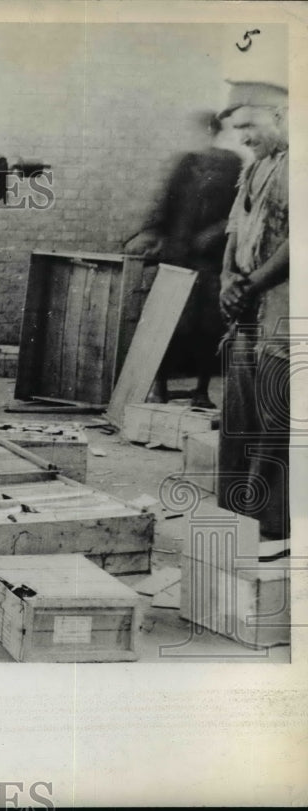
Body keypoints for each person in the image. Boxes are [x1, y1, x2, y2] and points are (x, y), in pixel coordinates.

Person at [125, 110, 242, 408]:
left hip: (210, 260)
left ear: (212, 131)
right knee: (167, 321)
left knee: (208, 326)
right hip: (176, 257)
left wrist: (215, 233)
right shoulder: (184, 164)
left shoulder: (232, 164)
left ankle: (201, 393)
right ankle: (159, 388)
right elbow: (163, 205)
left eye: (200, 131)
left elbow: (239, 210)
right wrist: (149, 234)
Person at [216, 81, 289, 540]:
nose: (243, 138)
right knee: (239, 415)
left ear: (280, 114)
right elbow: (234, 232)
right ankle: (235, 518)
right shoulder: (254, 169)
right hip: (247, 307)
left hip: (282, 311)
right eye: (237, 128)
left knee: (274, 416)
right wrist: (227, 279)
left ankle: (271, 530)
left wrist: (251, 285)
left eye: (249, 126)